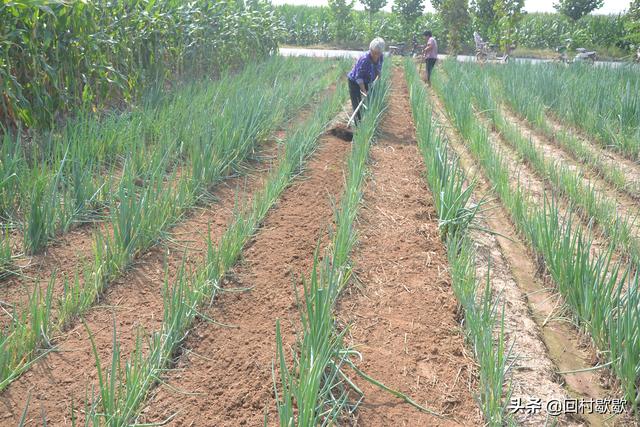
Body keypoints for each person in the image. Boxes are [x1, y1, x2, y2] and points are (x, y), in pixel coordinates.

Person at [347, 37, 385, 125]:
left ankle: (368, 123)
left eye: (377, 53)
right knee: (357, 104)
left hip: (368, 80)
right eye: (373, 52)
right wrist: (364, 91)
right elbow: (358, 77)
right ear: (370, 49)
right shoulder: (364, 59)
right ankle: (358, 126)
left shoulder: (381, 57)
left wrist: (379, 73)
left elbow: (379, 67)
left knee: (371, 101)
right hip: (355, 82)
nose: (375, 55)